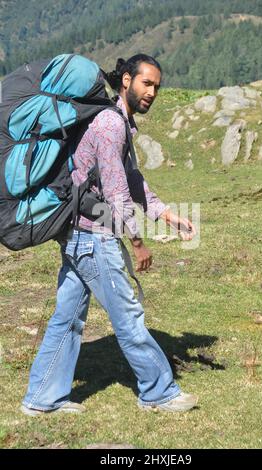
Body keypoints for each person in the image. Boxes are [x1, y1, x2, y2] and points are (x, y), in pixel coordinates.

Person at [21, 54, 198, 415]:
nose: (151, 92)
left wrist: (165, 214)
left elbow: (132, 179)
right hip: (92, 238)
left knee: (67, 317)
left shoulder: (118, 122)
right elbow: (117, 191)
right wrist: (137, 241)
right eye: (146, 83)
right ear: (126, 81)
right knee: (128, 315)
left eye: (157, 87)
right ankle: (159, 392)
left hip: (78, 232)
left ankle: (41, 399)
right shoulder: (109, 125)